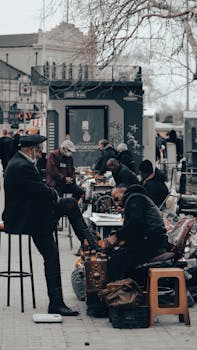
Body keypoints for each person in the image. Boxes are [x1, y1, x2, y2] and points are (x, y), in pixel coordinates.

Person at [2, 134, 96, 316]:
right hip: (27, 218)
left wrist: (52, 194)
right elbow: (41, 191)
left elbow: (39, 190)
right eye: (39, 150)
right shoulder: (23, 166)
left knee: (69, 205)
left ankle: (88, 243)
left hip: (31, 212)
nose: (41, 153)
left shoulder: (20, 162)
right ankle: (56, 303)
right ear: (30, 149)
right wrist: (53, 194)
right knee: (52, 256)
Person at [104, 184, 168, 282]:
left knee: (116, 261)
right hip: (152, 240)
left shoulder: (135, 198)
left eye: (116, 199)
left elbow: (136, 223)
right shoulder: (137, 198)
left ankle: (116, 293)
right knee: (119, 255)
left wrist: (117, 237)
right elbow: (137, 229)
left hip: (153, 242)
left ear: (123, 192)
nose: (116, 204)